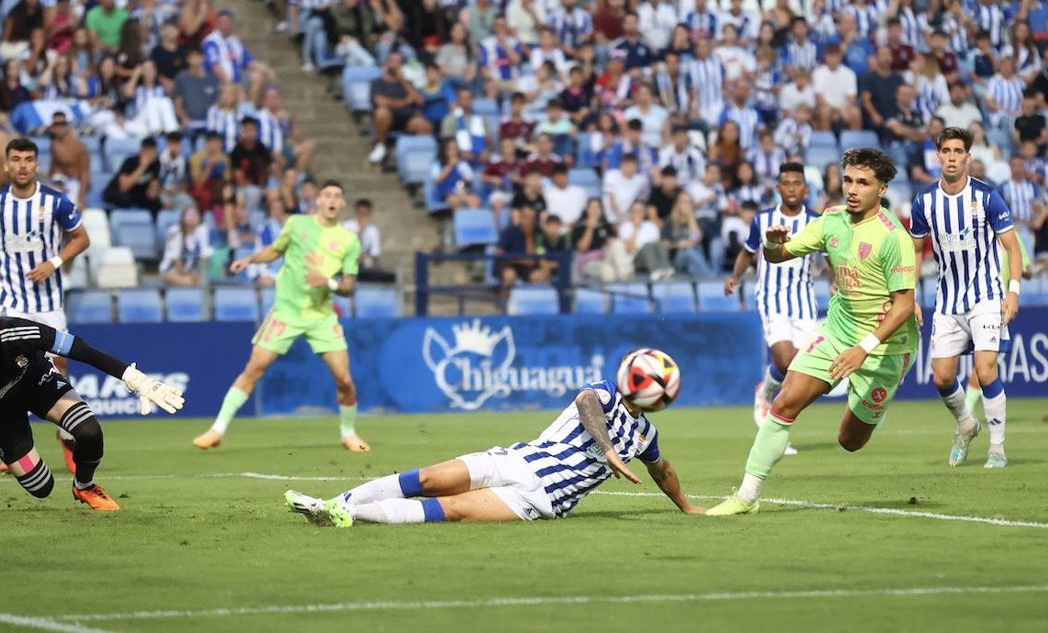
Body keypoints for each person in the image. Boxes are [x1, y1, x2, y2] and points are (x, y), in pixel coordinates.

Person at [707, 148, 920, 516]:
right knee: (785, 401)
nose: (852, 189)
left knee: (849, 441)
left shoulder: (893, 237)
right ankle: (746, 496)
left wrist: (863, 349)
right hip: (838, 331)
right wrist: (773, 242)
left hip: (886, 347)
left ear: (882, 189)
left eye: (863, 183)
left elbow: (904, 305)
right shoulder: (831, 221)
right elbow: (777, 256)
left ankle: (871, 405)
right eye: (848, 180)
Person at [284, 349, 703, 526]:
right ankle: (332, 503)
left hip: (538, 500)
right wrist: (609, 451)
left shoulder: (645, 433)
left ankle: (343, 515)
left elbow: (662, 470)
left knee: (448, 510)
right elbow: (585, 402)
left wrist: (686, 506)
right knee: (427, 478)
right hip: (515, 459)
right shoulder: (604, 393)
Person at [0, 299, 184, 521]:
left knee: (89, 431)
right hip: (0, 418)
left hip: (37, 385)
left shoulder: (22, 331)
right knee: (42, 487)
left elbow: (81, 349)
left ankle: (85, 486)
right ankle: (19, 459)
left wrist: (134, 378)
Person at [192, 179, 370, 452]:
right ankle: (216, 430)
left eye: (337, 195)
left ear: (342, 203)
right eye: (327, 194)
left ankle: (349, 433)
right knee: (253, 369)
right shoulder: (298, 224)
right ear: (319, 201)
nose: (332, 199)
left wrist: (328, 282)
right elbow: (276, 250)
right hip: (285, 312)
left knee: (344, 379)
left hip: (321, 316)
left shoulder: (349, 241)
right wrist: (250, 259)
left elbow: (348, 286)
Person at [0, 137, 92, 471]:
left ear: (36, 165)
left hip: (48, 301)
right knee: (9, 370)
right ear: (6, 164)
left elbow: (82, 238)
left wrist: (54, 262)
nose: (22, 165)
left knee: (58, 369)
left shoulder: (55, 201)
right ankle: (18, 447)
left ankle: (68, 438)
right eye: (16, 159)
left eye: (28, 159)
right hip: (9, 298)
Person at [908, 127, 1021, 470]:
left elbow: (1012, 247)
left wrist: (1012, 292)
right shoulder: (924, 201)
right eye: (947, 151)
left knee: (985, 370)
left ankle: (997, 449)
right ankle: (966, 424)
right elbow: (915, 251)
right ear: (938, 156)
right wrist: (911, 295)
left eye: (959, 151)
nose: (953, 156)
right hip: (947, 301)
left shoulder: (988, 196)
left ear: (968, 157)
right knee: (942, 376)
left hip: (986, 296)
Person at [724, 163, 818, 450]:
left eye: (796, 183)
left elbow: (831, 255)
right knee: (785, 361)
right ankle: (769, 406)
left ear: (805, 189)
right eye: (786, 183)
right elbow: (748, 251)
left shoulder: (817, 221)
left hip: (804, 301)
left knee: (800, 371)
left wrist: (839, 281)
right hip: (772, 298)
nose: (791, 187)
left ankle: (769, 405)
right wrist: (735, 277)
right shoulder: (763, 219)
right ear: (778, 188)